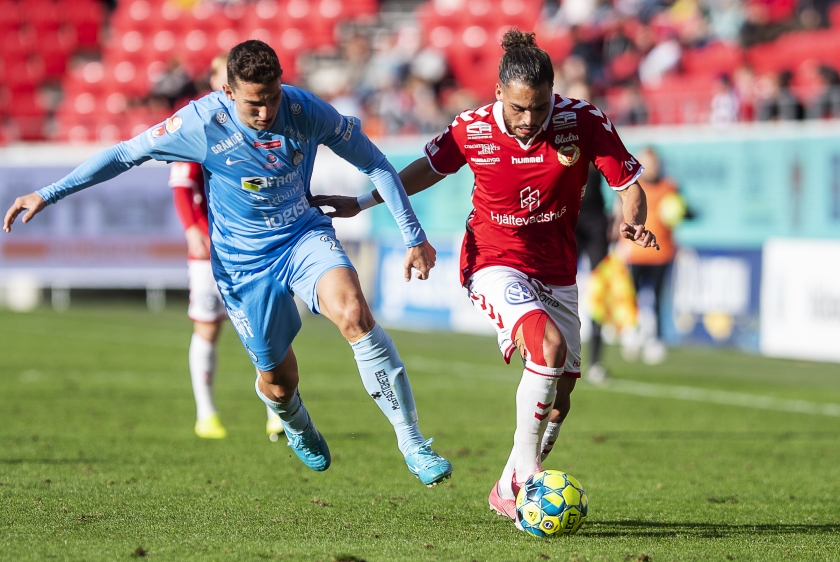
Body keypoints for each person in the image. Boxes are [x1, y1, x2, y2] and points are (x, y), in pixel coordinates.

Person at [4, 40, 453, 486]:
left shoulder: (304, 110)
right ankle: (294, 421)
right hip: (243, 265)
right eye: (255, 104)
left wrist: (412, 236)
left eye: (273, 98)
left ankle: (412, 441)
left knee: (354, 313)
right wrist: (48, 193)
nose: (266, 113)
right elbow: (124, 154)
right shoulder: (200, 123)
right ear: (228, 91)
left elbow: (376, 163)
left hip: (303, 236)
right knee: (278, 381)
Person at [311, 29, 657, 523]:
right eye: (518, 108)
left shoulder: (581, 121)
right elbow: (426, 169)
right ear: (498, 93)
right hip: (492, 261)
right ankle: (528, 479)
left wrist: (633, 218)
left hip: (557, 269)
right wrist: (364, 201)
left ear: (552, 95)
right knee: (548, 349)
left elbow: (629, 185)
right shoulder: (471, 128)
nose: (528, 120)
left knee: (560, 398)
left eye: (539, 108)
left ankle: (506, 487)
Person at [169, 52, 284, 440]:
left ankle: (276, 411)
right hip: (210, 247)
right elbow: (182, 185)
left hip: (254, 245)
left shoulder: (263, 123)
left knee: (264, 328)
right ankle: (206, 414)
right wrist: (193, 231)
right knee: (208, 327)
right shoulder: (201, 123)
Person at [617, 147, 681, 365]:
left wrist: (684, 212)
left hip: (662, 252)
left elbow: (682, 211)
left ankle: (656, 340)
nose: (652, 168)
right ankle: (631, 335)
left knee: (657, 297)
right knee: (630, 297)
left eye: (655, 163)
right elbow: (621, 214)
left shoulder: (670, 187)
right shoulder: (634, 188)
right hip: (635, 253)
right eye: (647, 163)